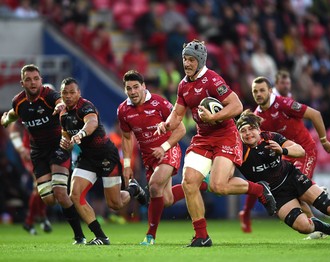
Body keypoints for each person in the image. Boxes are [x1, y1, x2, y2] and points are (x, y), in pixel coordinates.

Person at [155, 39, 275, 247]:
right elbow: (177, 114)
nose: (187, 63)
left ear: (200, 61)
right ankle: (202, 235)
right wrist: (166, 125)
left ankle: (259, 190)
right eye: (185, 59)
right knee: (188, 182)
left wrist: (212, 118)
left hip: (225, 135)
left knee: (219, 186)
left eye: (191, 60)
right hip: (203, 137)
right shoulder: (183, 85)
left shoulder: (212, 79)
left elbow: (236, 105)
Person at [236, 109, 330, 244]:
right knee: (304, 227)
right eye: (243, 131)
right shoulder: (238, 151)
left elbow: (300, 151)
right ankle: (321, 226)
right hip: (276, 194)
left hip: (292, 178)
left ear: (258, 129)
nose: (247, 133)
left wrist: (283, 150)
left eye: (251, 128)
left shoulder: (270, 137)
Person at [239, 75, 330, 239]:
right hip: (283, 154)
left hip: (303, 150)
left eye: (262, 90)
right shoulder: (257, 118)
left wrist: (324, 140)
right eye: (255, 91)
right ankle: (316, 226)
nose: (258, 94)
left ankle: (318, 194)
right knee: (292, 192)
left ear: (270, 91)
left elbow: (315, 114)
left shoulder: (284, 104)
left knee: (299, 189)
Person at [118, 70, 210, 245]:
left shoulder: (159, 103)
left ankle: (150, 235)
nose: (133, 92)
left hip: (168, 149)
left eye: (136, 87)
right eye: (129, 88)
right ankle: (203, 183)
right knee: (165, 199)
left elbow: (181, 129)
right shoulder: (123, 110)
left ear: (144, 87)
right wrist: (127, 164)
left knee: (153, 186)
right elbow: (127, 137)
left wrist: (164, 146)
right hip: (148, 157)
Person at [0, 64, 85, 244]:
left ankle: (79, 236)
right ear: (22, 82)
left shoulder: (49, 95)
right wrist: (6, 119)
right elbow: (15, 115)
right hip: (38, 153)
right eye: (28, 79)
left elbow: (58, 101)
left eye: (36, 78)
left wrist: (61, 105)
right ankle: (43, 217)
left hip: (58, 147)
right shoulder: (19, 101)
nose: (33, 83)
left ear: (41, 79)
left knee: (61, 193)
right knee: (48, 199)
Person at [58, 77, 147, 245]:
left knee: (115, 204)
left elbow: (91, 123)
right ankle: (101, 236)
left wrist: (81, 134)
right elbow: (66, 137)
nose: (68, 96)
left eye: (72, 92)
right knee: (75, 195)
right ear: (61, 94)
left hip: (106, 155)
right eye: (64, 93)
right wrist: (65, 143)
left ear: (79, 93)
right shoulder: (63, 114)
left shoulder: (86, 106)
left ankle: (133, 189)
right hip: (88, 159)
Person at [8, 121, 52, 235]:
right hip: (30, 153)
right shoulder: (24, 105)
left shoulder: (51, 106)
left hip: (47, 153)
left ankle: (37, 218)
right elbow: (13, 128)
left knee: (45, 187)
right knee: (39, 185)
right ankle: (32, 219)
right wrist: (21, 148)